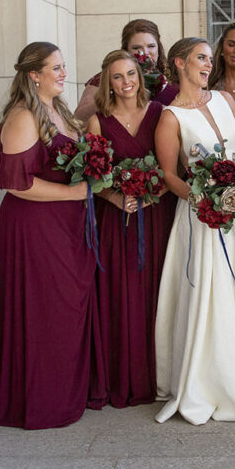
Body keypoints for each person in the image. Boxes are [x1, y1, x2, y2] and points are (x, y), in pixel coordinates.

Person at [153, 37, 235, 425]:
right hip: (203, 218)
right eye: (200, 59)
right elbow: (169, 175)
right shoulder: (170, 116)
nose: (208, 65)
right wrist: (201, 197)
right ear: (179, 63)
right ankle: (208, 383)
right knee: (212, 295)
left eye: (210, 59)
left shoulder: (225, 100)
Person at [0, 42, 105, 429]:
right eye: (56, 68)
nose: (64, 73)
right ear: (34, 75)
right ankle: (41, 396)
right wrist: (72, 192)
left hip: (65, 224)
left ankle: (66, 388)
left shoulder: (58, 110)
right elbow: (17, 184)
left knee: (66, 306)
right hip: (35, 227)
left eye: (64, 66)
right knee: (45, 308)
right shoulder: (22, 117)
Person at [86, 50, 175, 409]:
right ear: (108, 82)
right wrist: (114, 198)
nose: (126, 83)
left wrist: (156, 192)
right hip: (117, 218)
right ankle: (122, 376)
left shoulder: (160, 115)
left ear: (140, 76)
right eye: (118, 77)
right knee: (119, 292)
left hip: (156, 214)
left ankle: (158, 377)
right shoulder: (98, 120)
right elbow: (92, 175)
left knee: (157, 291)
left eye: (131, 75)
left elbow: (175, 166)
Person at [75, 19, 179, 121]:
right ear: (126, 50)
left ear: (158, 48)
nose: (145, 52)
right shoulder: (106, 77)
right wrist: (113, 96)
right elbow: (79, 117)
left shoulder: (173, 76)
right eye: (137, 47)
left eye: (151, 46)